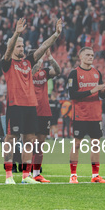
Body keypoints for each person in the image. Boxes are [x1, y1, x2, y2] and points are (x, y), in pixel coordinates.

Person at [1, 18, 62, 184]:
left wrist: (55, 35)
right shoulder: (7, 62)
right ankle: (8, 176)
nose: (22, 48)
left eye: (22, 46)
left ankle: (26, 175)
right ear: (13, 47)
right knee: (11, 139)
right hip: (15, 106)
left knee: (29, 141)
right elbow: (7, 52)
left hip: (30, 107)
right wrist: (16, 33)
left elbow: (42, 48)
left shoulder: (28, 62)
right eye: (18, 46)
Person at [67, 47, 105, 183]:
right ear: (81, 57)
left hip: (95, 115)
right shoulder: (74, 74)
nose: (91, 57)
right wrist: (93, 90)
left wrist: (103, 90)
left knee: (96, 145)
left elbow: (101, 95)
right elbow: (72, 95)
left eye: (92, 55)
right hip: (80, 115)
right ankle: (73, 175)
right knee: (77, 144)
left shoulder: (97, 73)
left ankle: (95, 175)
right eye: (88, 55)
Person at [31, 48, 61, 183]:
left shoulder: (44, 72)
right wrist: (40, 59)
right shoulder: (26, 72)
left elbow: (58, 71)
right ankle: (26, 172)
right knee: (29, 142)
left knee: (40, 143)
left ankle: (36, 173)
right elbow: (32, 70)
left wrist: (50, 58)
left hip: (44, 111)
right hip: (30, 110)